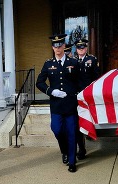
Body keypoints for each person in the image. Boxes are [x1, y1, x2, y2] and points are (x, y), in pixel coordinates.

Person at [36, 34, 80, 172]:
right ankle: (64, 150)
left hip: (71, 103)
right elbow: (39, 82)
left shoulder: (73, 63)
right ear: (52, 47)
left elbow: (80, 81)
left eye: (60, 45)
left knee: (72, 132)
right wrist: (51, 91)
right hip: (56, 105)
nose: (58, 48)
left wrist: (78, 94)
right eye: (55, 46)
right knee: (57, 129)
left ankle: (72, 162)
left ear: (63, 46)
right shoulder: (48, 64)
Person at [74, 38, 100, 160]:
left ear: (86, 48)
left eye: (83, 47)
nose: (81, 49)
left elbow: (96, 77)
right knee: (77, 123)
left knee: (87, 119)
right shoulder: (71, 61)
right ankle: (81, 148)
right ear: (76, 49)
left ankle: (89, 133)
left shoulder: (92, 59)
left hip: (88, 95)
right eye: (79, 47)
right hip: (75, 95)